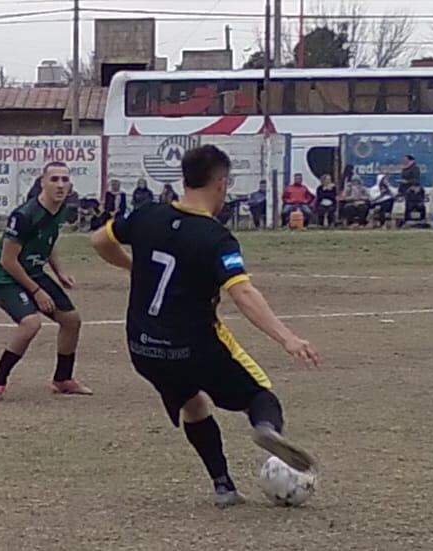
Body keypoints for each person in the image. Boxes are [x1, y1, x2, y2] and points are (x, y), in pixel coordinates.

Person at [90, 145, 319, 508]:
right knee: (260, 395)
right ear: (221, 184)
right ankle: (266, 429)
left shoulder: (148, 215)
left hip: (144, 348)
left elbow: (99, 239)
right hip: (194, 345)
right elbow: (242, 293)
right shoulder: (215, 237)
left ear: (185, 179)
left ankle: (223, 485)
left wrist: (131, 266)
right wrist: (287, 338)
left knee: (192, 404)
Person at [0, 161, 92, 401]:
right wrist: (37, 291)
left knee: (72, 320)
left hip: (33, 272)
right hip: (5, 278)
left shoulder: (62, 208)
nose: (60, 185)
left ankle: (63, 379)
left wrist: (60, 272)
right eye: (54, 179)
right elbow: (8, 261)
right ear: (43, 182)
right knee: (31, 324)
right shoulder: (24, 215)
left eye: (65, 179)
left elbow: (48, 242)